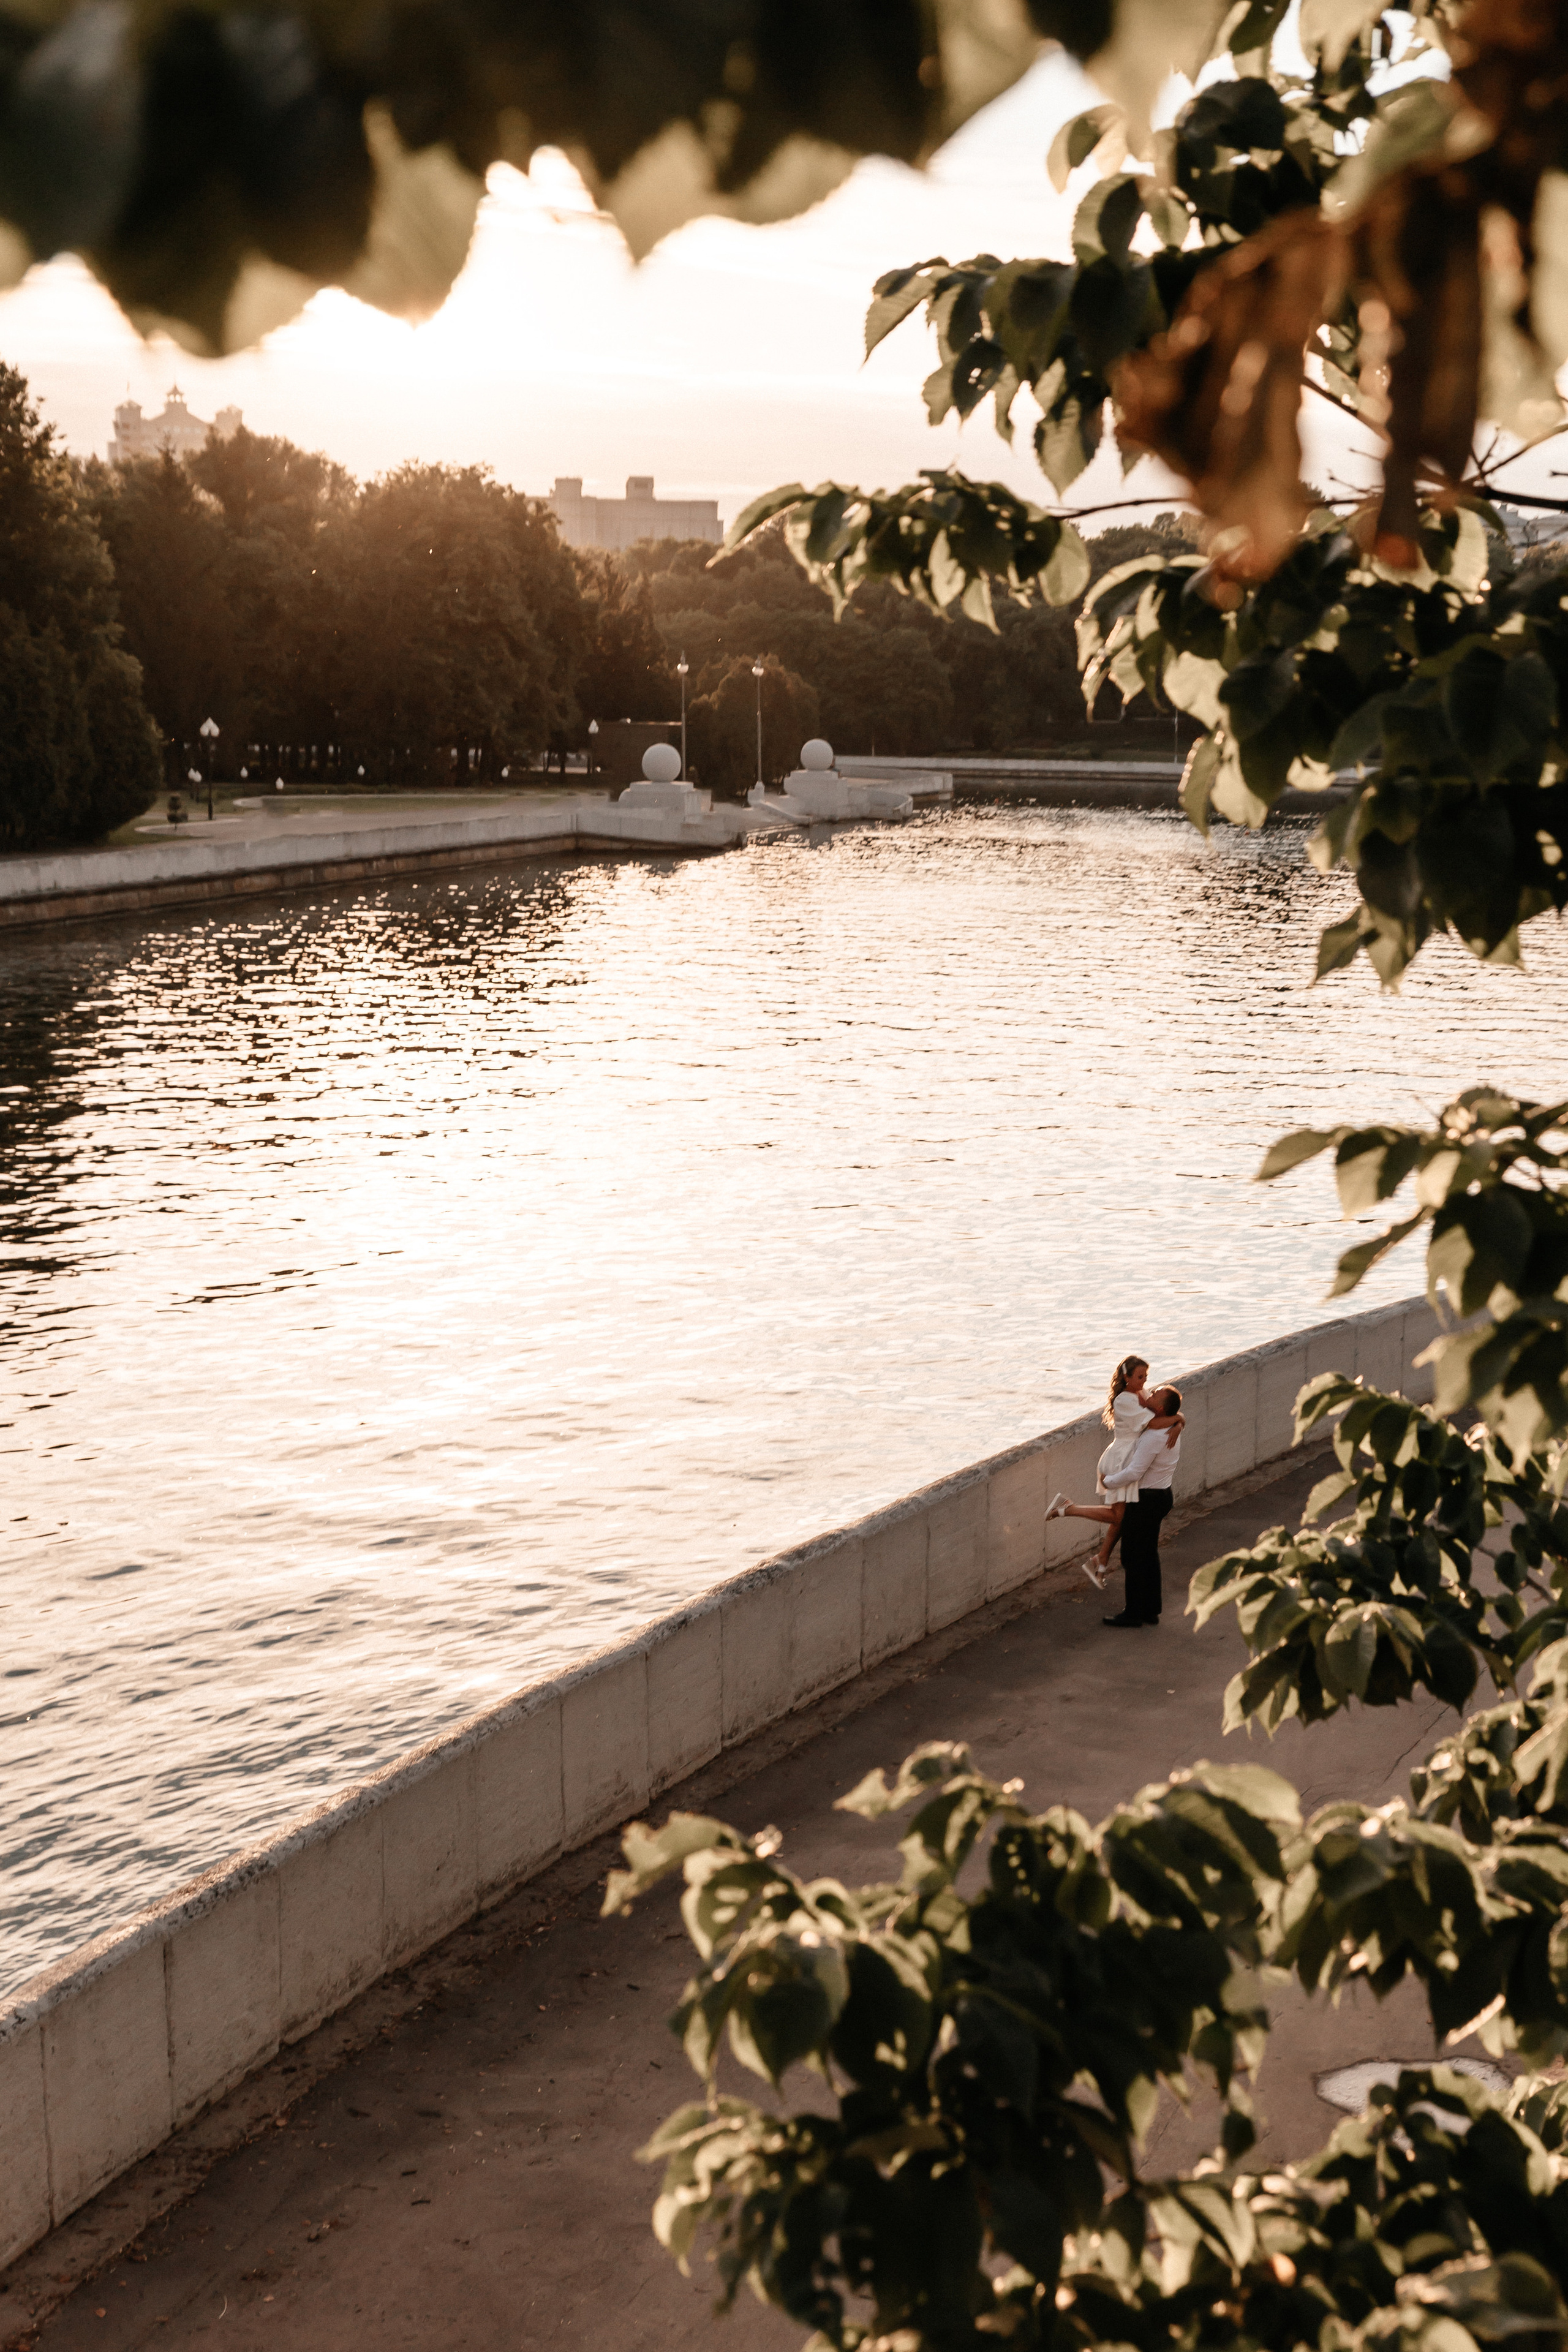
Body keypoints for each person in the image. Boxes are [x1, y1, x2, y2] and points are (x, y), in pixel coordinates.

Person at [1044, 1354, 1182, 1591]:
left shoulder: (1142, 1394)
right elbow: (1155, 1422)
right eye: (1140, 1377)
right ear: (1127, 1377)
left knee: (1123, 1518)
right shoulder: (1125, 1400)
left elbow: (1164, 1411)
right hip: (1121, 1460)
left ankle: (1100, 1562)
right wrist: (1179, 1420)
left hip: (1130, 1457)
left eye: (1146, 1376)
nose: (1144, 1381)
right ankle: (1068, 1508)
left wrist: (1178, 1421)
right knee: (1119, 1517)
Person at [1098, 1385, 1183, 1627]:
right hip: (1161, 1496)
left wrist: (1108, 1482)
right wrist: (1179, 1420)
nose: (1149, 1393)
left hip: (1146, 1500)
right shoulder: (1169, 1428)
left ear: (1158, 1408)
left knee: (1132, 1556)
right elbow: (1165, 1409)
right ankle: (1150, 1610)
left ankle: (1134, 1613)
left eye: (1155, 1394)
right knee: (1148, 1555)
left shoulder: (1155, 1436)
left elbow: (1135, 1472)